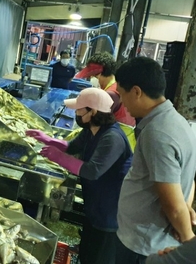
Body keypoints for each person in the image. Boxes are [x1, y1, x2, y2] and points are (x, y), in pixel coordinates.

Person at [27, 87, 133, 264]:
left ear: (93, 112)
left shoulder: (112, 138)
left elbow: (92, 171)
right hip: (94, 207)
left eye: (79, 109)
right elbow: (72, 146)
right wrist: (46, 139)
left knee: (99, 258)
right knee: (87, 254)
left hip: (110, 214)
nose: (75, 112)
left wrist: (58, 157)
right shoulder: (92, 130)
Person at [114, 57, 196, 264]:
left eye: (122, 95)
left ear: (136, 92)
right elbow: (189, 179)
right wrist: (186, 206)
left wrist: (188, 243)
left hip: (143, 247)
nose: (122, 102)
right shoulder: (178, 122)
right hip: (146, 239)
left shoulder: (158, 133)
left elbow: (173, 205)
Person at [75, 52, 135, 126]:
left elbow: (97, 121)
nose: (91, 78)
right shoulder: (116, 85)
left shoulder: (111, 94)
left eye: (93, 75)